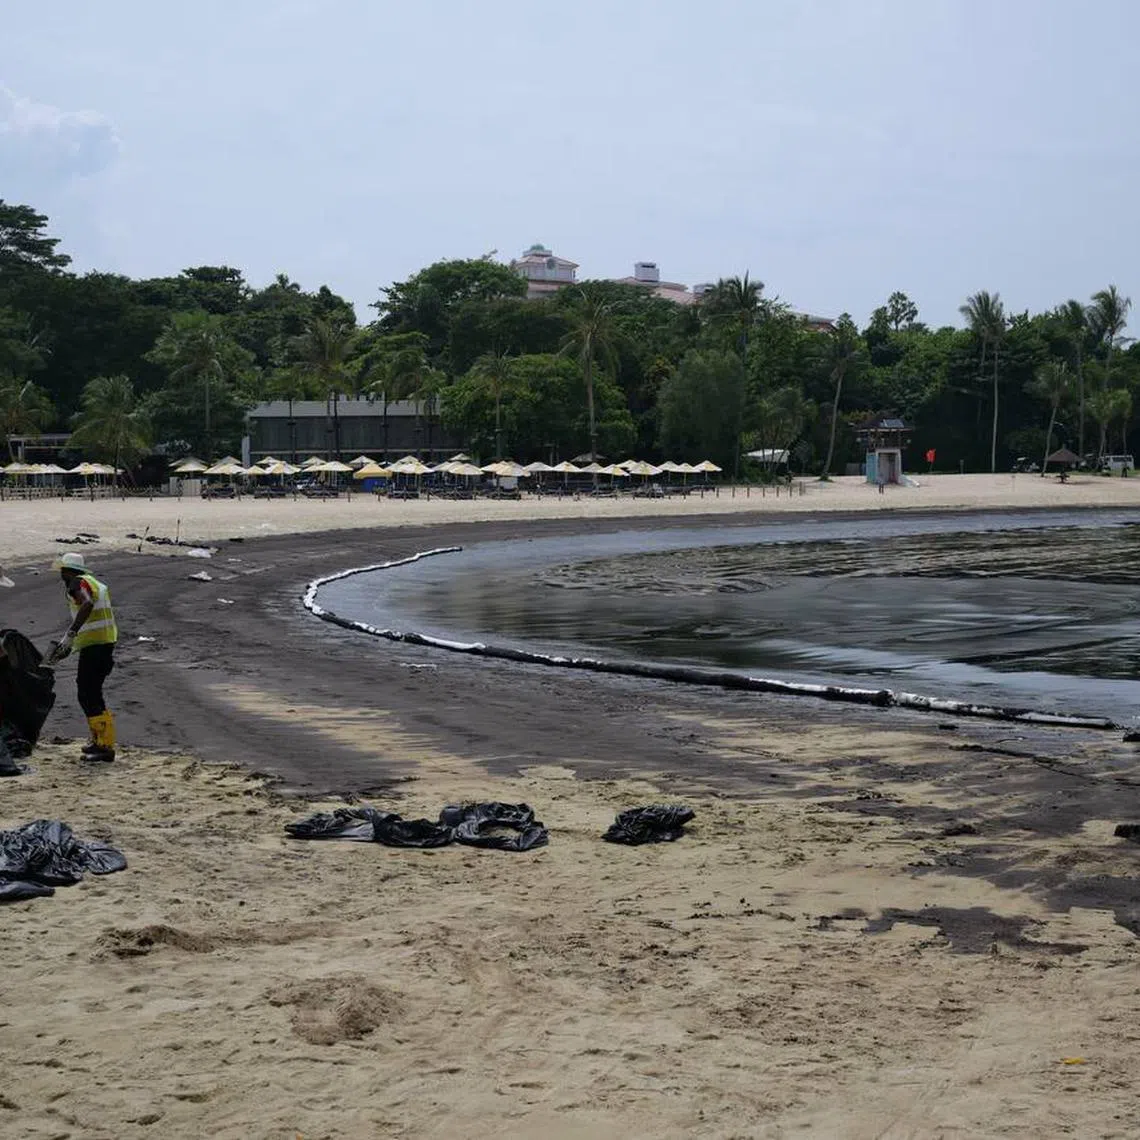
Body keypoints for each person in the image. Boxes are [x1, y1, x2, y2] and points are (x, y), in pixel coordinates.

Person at [48, 552, 118, 761]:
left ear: (67, 571)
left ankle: (104, 747)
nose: (60, 574)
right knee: (92, 692)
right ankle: (100, 741)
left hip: (95, 647)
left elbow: (86, 604)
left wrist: (71, 632)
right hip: (104, 643)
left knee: (87, 694)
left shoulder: (76, 583)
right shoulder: (94, 583)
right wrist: (69, 646)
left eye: (62, 570)